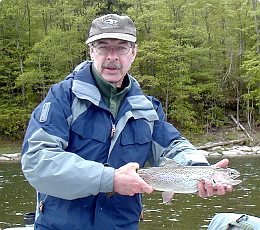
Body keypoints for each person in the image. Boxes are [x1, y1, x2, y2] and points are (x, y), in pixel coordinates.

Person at [21, 14, 233, 230]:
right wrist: (109, 179)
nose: (112, 57)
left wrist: (200, 171)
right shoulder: (62, 97)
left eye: (122, 48)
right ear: (92, 51)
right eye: (103, 47)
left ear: (133, 52)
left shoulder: (148, 108)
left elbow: (173, 146)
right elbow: (37, 161)